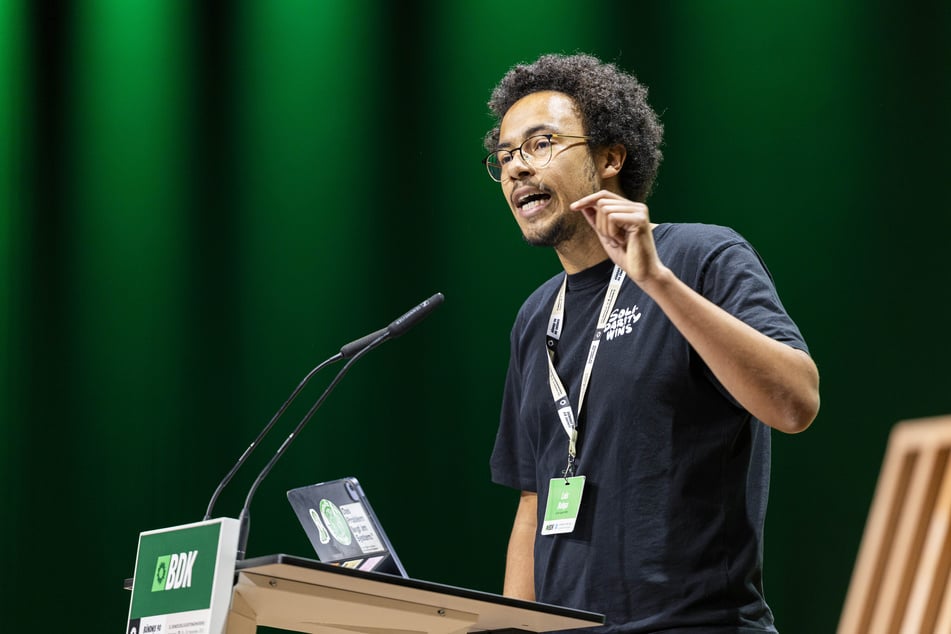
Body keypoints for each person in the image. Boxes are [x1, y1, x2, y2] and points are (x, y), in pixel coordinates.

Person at [484, 53, 820, 634]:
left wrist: (656, 281)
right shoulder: (537, 315)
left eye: (539, 144)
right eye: (505, 156)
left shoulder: (701, 256)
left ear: (610, 156)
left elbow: (796, 403)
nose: (516, 168)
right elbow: (534, 502)